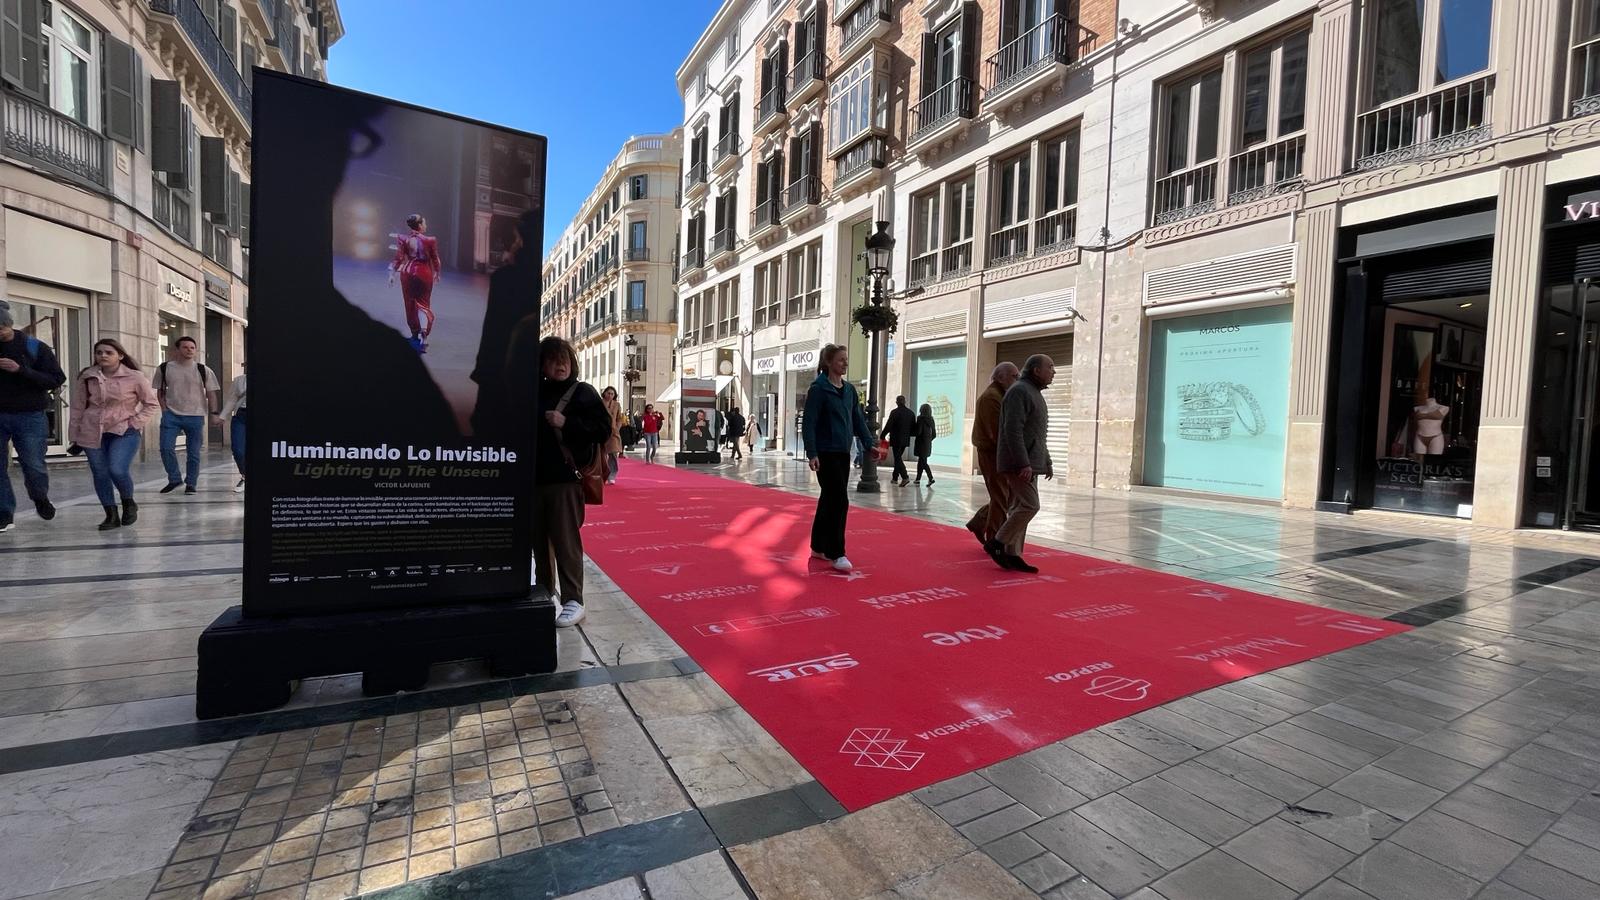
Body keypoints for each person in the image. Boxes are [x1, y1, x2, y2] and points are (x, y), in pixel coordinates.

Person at [533, 336, 611, 627]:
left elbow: (603, 430)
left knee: (565, 541)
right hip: (535, 480)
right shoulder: (535, 391)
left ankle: (573, 600)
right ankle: (543, 595)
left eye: (565, 358)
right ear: (542, 364)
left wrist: (567, 424)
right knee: (538, 543)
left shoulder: (582, 392)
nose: (560, 364)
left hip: (565, 480)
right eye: (553, 359)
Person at [803, 344, 880, 572]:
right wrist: (812, 453)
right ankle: (837, 552)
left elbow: (858, 420)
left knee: (829, 498)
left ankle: (818, 546)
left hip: (843, 451)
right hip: (825, 452)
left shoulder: (849, 391)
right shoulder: (818, 389)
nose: (845, 363)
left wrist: (869, 444)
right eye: (840, 360)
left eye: (846, 359)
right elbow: (810, 423)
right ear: (828, 363)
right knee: (839, 500)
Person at [70, 339, 160, 530]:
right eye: (99, 352)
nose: (102, 355)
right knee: (100, 473)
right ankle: (110, 514)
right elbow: (78, 406)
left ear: (120, 355)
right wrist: (75, 434)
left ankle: (128, 502)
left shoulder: (135, 377)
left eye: (108, 352)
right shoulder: (87, 376)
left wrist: (134, 423)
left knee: (117, 469)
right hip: (92, 431)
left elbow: (151, 404)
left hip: (124, 431)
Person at [0, 300, 65, 532]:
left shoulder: (34, 347)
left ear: (9, 325)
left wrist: (21, 370)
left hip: (29, 414)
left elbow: (57, 378)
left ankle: (40, 497)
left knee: (33, 464)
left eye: (1, 329)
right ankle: (4, 513)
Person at [991, 354, 1056, 573]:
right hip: (1019, 464)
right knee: (1030, 505)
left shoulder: (1034, 392)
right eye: (1050, 367)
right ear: (1036, 370)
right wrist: (1022, 463)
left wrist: (1046, 460)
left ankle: (1013, 553)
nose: (1053, 371)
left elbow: (1037, 433)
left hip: (1030, 462)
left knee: (1020, 507)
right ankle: (998, 542)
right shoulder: (1019, 391)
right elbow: (1013, 430)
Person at [152, 336, 220, 495]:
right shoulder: (164, 368)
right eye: (185, 347)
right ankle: (174, 479)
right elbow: (160, 391)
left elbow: (212, 394)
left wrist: (214, 413)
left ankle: (191, 483)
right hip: (171, 415)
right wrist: (164, 410)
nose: (189, 350)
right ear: (177, 350)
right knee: (165, 448)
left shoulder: (203, 370)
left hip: (195, 416)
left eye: (192, 347)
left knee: (193, 453)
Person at [965, 362, 1020, 549]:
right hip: (992, 453)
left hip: (996, 452)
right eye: (1014, 376)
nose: (1017, 379)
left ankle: (980, 522)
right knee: (1001, 497)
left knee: (1004, 495)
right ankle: (994, 538)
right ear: (1000, 377)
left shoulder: (1000, 395)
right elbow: (996, 432)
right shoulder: (991, 398)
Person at [389, 213, 442, 354]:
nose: (426, 225)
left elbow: (398, 258)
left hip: (407, 273)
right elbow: (436, 259)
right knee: (423, 304)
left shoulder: (403, 239)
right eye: (424, 223)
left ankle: (414, 334)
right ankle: (424, 336)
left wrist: (392, 274)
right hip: (424, 274)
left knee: (410, 303)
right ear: (419, 225)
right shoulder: (430, 240)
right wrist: (437, 272)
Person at [213, 364, 247, 493]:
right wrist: (222, 416)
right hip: (241, 415)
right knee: (238, 449)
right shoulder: (239, 380)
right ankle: (245, 476)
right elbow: (232, 399)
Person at [881, 395, 915, 486]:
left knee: (897, 458)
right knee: (898, 457)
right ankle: (895, 478)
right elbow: (913, 428)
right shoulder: (911, 413)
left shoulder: (894, 412)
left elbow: (889, 425)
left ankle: (905, 477)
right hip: (905, 440)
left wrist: (883, 435)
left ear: (897, 402)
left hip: (896, 439)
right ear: (905, 402)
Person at [600, 386, 625, 485]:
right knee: (601, 455)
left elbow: (619, 418)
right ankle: (602, 475)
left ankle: (612, 475)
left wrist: (617, 428)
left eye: (612, 394)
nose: (610, 395)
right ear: (604, 393)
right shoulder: (599, 403)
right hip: (601, 431)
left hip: (613, 432)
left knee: (613, 455)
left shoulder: (617, 405)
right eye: (608, 393)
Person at [913, 403, 938, 486]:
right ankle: (918, 479)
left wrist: (913, 432)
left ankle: (931, 478)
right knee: (921, 461)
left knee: (923, 462)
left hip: (921, 443)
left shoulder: (920, 419)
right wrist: (928, 440)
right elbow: (934, 434)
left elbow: (918, 431)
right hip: (927, 443)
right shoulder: (931, 420)